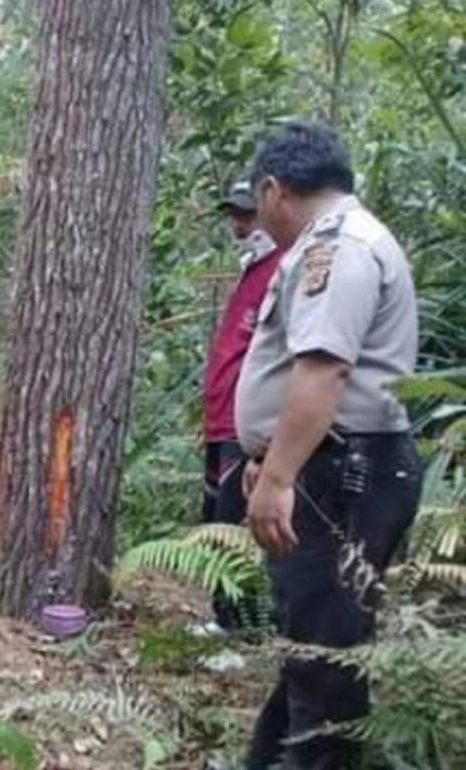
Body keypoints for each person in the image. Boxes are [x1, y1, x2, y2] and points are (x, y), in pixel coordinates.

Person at [236, 121, 421, 770]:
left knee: (327, 666)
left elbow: (323, 370)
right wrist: (270, 456)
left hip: (343, 476)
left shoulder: (336, 248)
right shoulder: (334, 242)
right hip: (335, 468)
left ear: (272, 190)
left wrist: (279, 477)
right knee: (310, 648)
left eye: (256, 203)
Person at [202, 180, 281, 629]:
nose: (239, 225)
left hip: (243, 426)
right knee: (216, 519)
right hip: (220, 421)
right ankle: (224, 618)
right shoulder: (252, 269)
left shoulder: (281, 268)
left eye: (247, 215)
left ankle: (239, 626)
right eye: (235, 215)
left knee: (235, 527)